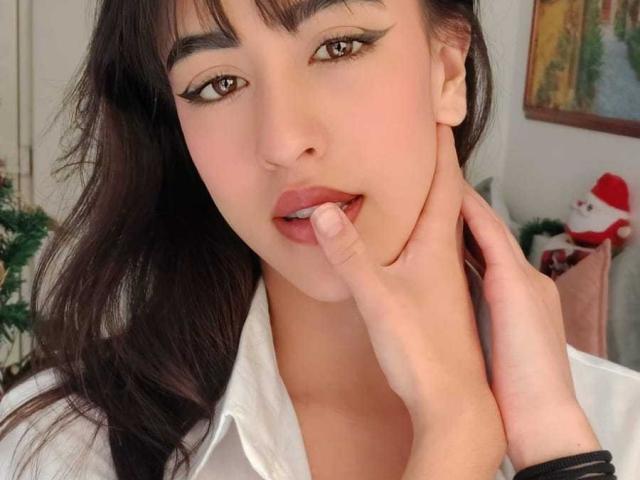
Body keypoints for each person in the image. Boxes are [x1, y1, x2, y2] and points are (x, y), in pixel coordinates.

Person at [0, 0, 637, 478]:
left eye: (338, 47)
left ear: (447, 71)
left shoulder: (622, 425)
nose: (282, 141)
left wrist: (559, 454)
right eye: (217, 84)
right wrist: (455, 433)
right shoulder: (61, 443)